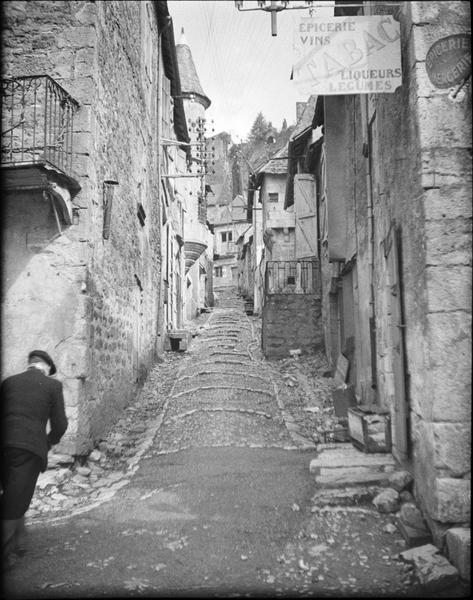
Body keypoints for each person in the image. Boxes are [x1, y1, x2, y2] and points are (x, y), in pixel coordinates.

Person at [1, 350, 68, 570]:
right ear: (47, 368)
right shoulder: (52, 386)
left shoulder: (9, 382)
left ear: (30, 364)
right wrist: (47, 442)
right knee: (14, 503)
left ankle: (20, 543)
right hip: (28, 449)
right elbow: (60, 425)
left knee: (12, 494)